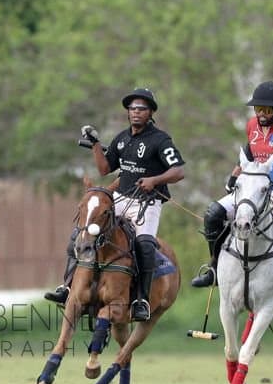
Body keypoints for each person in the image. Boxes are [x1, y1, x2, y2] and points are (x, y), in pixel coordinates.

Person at [45, 87, 186, 321]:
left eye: (141, 108)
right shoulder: (122, 138)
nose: (136, 112)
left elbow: (178, 171)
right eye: (132, 108)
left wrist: (155, 180)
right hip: (119, 198)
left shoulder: (161, 140)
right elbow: (104, 169)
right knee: (82, 234)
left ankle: (141, 300)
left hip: (147, 203)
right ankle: (68, 287)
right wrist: (95, 144)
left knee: (144, 245)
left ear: (150, 112)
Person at [189, 80, 273, 305]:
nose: (261, 114)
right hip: (255, 193)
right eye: (258, 109)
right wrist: (235, 174)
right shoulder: (252, 125)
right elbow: (249, 152)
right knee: (213, 214)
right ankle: (214, 268)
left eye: (267, 109)